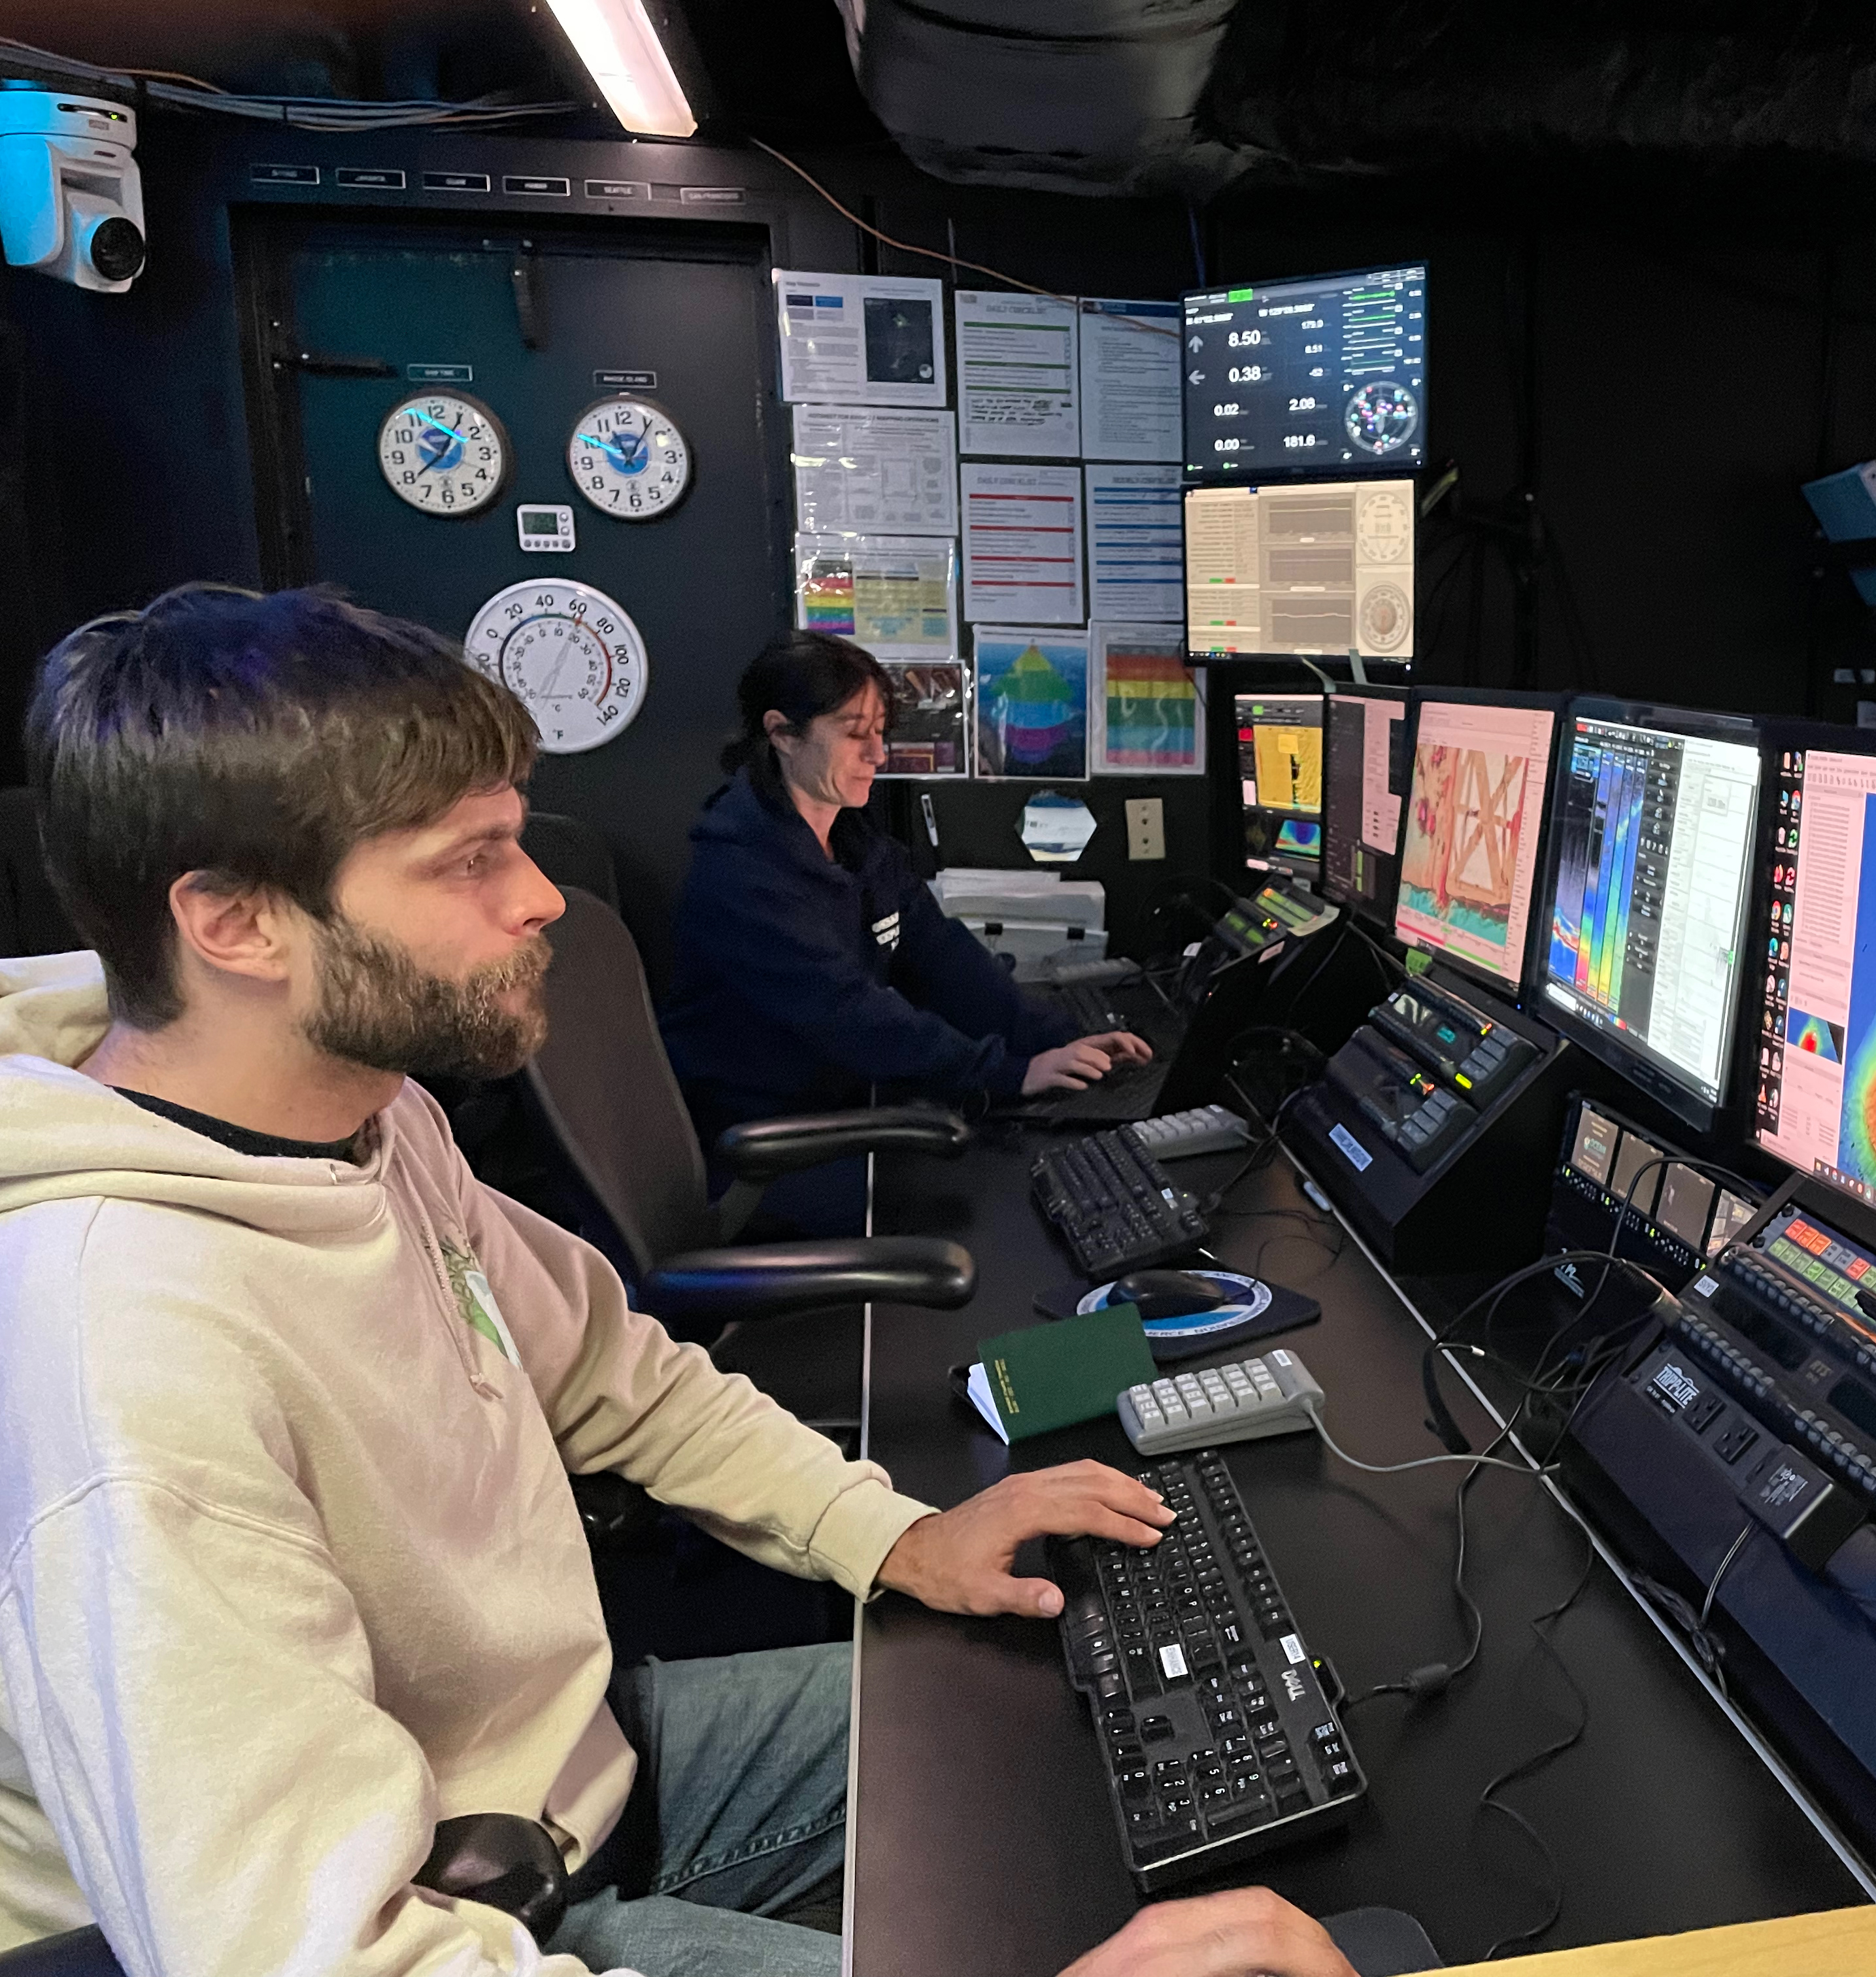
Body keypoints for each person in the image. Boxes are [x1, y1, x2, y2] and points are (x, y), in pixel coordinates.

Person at [0, 584, 1352, 1977]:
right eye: (468, 863)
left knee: (1072, 1704)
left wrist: (890, 1536)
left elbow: (615, 1375)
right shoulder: (128, 1350)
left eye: (518, 840)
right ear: (235, 926)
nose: (540, 901)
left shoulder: (365, 1119)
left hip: (561, 1774)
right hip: (455, 1918)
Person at [663, 633, 1149, 1232]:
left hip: (845, 1112)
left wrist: (1068, 1040)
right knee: (990, 1220)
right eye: (853, 732)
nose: (879, 753)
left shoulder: (853, 843)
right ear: (783, 734)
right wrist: (1010, 1074)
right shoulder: (743, 874)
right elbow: (851, 1015)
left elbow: (943, 957)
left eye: (880, 730)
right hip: (763, 1157)